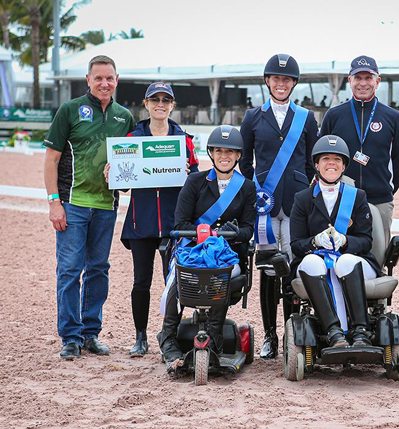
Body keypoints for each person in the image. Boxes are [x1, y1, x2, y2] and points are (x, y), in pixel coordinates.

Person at [43, 55, 135, 359]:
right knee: (70, 270)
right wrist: (54, 203)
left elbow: (127, 170)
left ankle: (90, 333)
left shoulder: (125, 117)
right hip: (73, 205)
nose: (104, 83)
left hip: (107, 207)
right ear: (88, 80)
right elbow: (51, 160)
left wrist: (123, 179)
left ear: (117, 80)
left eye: (109, 78)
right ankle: (70, 336)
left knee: (99, 270)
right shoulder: (69, 110)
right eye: (98, 78)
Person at [157, 125, 256, 373]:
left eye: (230, 151)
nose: (225, 156)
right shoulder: (195, 182)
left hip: (227, 254)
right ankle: (168, 340)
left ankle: (214, 339)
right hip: (193, 250)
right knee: (179, 274)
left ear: (238, 155)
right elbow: (180, 223)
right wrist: (204, 234)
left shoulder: (246, 187)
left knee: (221, 273)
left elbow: (247, 230)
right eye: (219, 150)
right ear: (211, 153)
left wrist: (231, 234)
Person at [240, 53, 319, 359]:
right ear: (268, 82)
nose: (281, 83)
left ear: (293, 83)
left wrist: (303, 188)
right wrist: (254, 194)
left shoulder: (306, 117)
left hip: (296, 204)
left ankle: (291, 332)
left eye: (286, 79)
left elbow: (314, 160)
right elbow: (246, 162)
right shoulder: (253, 117)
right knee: (268, 270)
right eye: (276, 78)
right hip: (266, 205)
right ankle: (270, 336)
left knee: (293, 268)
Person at [116, 82, 199, 357]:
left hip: (174, 226)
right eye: (155, 100)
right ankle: (140, 336)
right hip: (141, 223)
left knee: (172, 282)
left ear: (173, 105)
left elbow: (197, 184)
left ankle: (169, 334)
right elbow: (123, 186)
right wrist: (113, 175)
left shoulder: (184, 139)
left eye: (166, 99)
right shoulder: (133, 137)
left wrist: (189, 174)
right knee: (141, 282)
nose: (160, 104)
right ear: (146, 104)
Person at [290, 135, 381, 347]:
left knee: (345, 262)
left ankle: (360, 331)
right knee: (314, 262)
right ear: (316, 164)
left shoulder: (357, 196)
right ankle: (333, 331)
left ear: (344, 166)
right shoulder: (302, 199)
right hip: (316, 261)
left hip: (352, 261)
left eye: (337, 159)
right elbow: (296, 244)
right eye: (326, 159)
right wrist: (314, 242)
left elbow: (366, 241)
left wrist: (345, 241)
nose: (331, 163)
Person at [319, 55, 399, 245]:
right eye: (358, 78)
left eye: (368, 78)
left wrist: (387, 190)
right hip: (340, 198)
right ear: (349, 80)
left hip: (379, 200)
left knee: (379, 255)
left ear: (377, 82)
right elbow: (319, 157)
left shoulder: (392, 117)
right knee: (338, 251)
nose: (363, 83)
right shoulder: (334, 115)